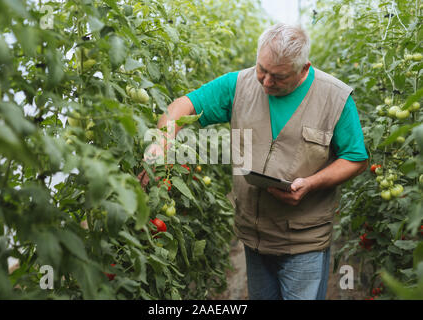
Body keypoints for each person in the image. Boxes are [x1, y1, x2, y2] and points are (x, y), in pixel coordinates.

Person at [138, 23, 369, 300]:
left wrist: (311, 183)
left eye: (278, 77)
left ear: (304, 69)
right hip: (254, 236)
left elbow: (355, 158)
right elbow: (181, 106)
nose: (266, 82)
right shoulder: (239, 85)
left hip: (305, 241)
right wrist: (163, 140)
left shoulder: (335, 98)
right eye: (262, 69)